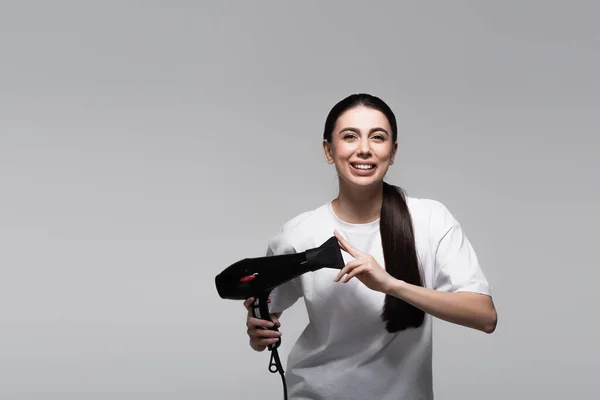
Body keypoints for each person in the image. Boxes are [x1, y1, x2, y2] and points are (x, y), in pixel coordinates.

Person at [243, 93, 498, 400]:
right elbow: (266, 317)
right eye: (349, 137)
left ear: (393, 152)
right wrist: (259, 332)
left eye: (378, 138)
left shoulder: (430, 220)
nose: (364, 149)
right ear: (328, 149)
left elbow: (485, 317)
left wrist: (392, 285)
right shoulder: (299, 233)